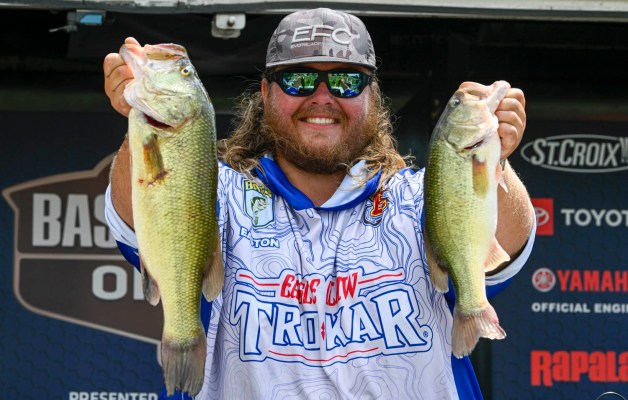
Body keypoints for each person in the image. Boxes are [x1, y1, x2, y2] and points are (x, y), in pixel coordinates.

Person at [103, 7, 534, 400]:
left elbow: (501, 252)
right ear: (266, 92)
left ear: (372, 95)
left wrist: (492, 159)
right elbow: (139, 212)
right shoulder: (218, 194)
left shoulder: (422, 195)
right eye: (299, 79)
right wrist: (140, 121)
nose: (322, 97)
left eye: (346, 81)